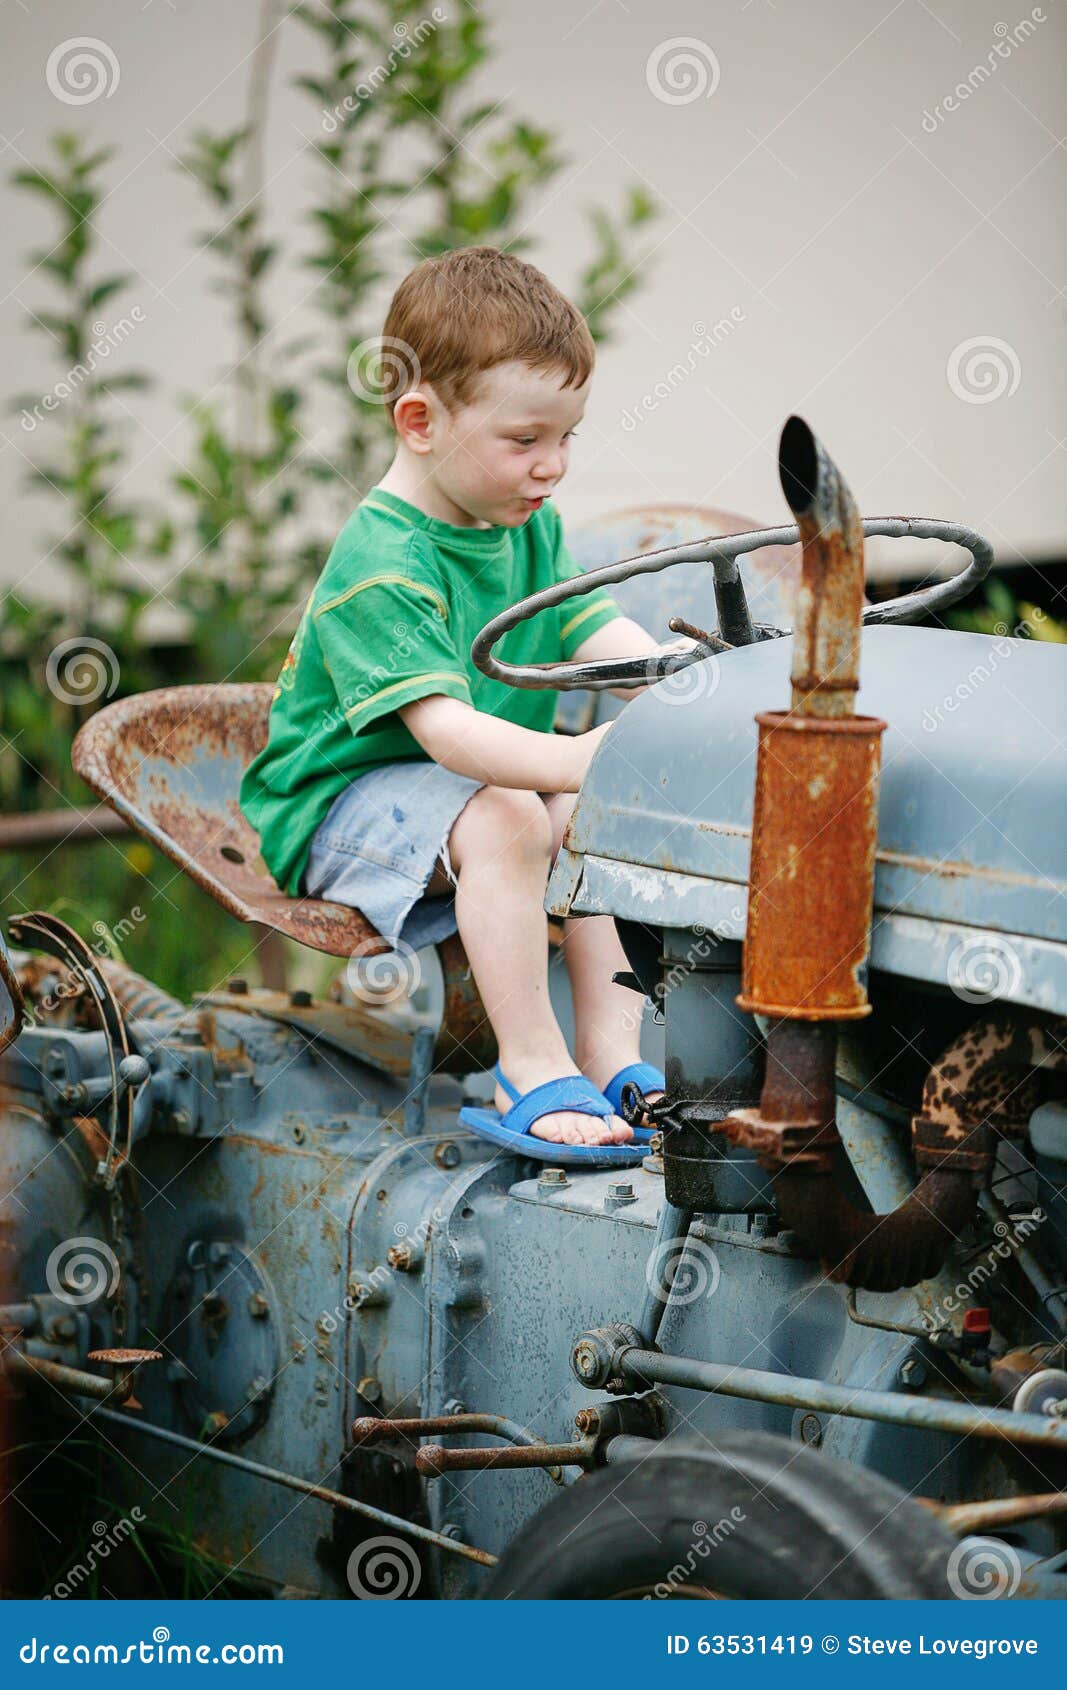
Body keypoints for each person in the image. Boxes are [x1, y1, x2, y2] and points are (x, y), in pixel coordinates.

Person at [240, 246, 692, 1155]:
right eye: (525, 441)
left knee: (586, 812)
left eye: (567, 437)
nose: (552, 466)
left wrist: (683, 676)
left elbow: (588, 628)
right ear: (419, 420)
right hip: (336, 812)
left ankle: (610, 1051)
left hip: (465, 792)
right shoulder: (382, 562)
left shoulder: (523, 523)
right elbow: (446, 735)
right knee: (513, 816)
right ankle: (528, 1063)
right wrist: (581, 758)